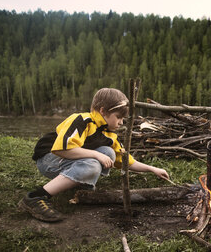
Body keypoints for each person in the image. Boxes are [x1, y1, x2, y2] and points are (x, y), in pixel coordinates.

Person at [19, 88, 170, 222]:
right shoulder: (82, 120)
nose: (121, 122)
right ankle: (36, 197)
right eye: (118, 117)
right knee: (93, 163)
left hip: (67, 160)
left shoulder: (109, 135)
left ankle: (77, 185)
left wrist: (152, 169)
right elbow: (61, 149)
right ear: (103, 111)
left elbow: (126, 161)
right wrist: (95, 155)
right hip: (49, 159)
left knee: (108, 152)